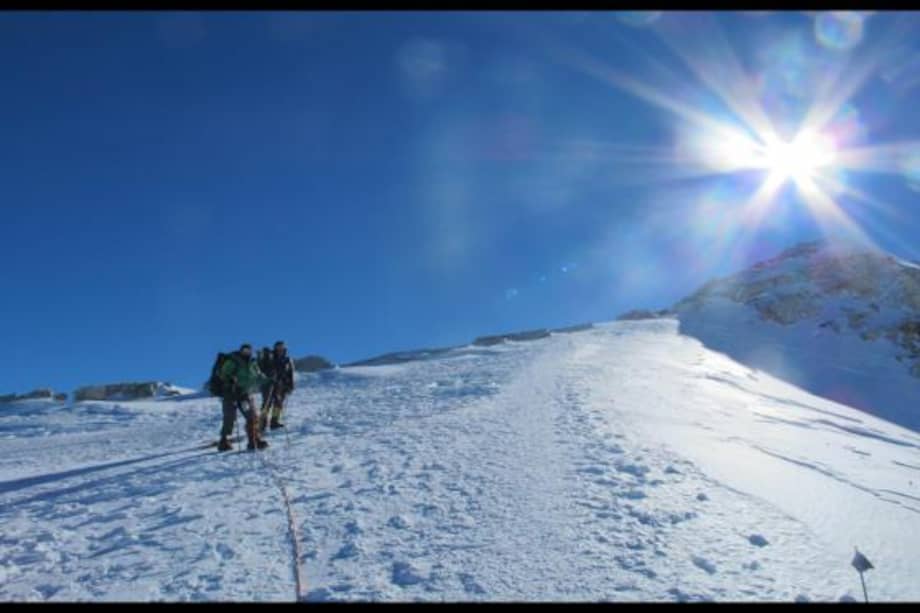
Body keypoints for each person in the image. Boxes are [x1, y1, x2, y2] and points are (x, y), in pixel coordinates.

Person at [218, 343, 270, 452]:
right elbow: (222, 374)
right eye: (244, 350)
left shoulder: (253, 363)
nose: (246, 352)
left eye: (248, 350)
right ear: (241, 350)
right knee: (229, 417)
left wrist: (269, 380)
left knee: (252, 416)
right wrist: (230, 380)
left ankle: (254, 440)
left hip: (244, 394)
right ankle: (223, 441)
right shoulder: (233, 361)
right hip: (230, 394)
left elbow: (259, 376)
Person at [259, 340, 295, 432]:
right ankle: (262, 423)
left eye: (281, 347)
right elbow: (262, 367)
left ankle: (274, 422)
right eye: (278, 347)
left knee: (278, 404)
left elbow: (290, 373)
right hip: (269, 383)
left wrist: (290, 385)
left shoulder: (287, 360)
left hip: (281, 384)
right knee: (267, 403)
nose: (280, 349)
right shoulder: (270, 356)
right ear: (275, 348)